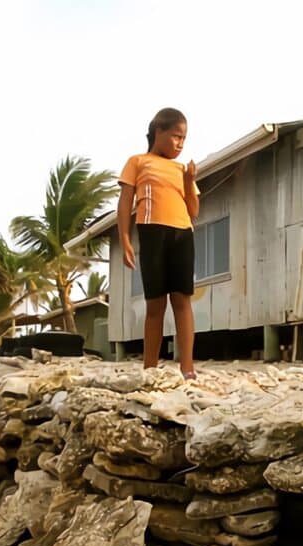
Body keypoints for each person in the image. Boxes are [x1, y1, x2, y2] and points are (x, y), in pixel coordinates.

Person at [117, 108, 200, 379]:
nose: (180, 143)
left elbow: (194, 210)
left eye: (184, 139)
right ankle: (150, 368)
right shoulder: (138, 162)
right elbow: (125, 201)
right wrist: (125, 238)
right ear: (158, 132)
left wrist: (189, 182)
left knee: (182, 300)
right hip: (152, 232)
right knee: (155, 305)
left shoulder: (181, 169)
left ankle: (187, 368)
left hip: (182, 234)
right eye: (176, 136)